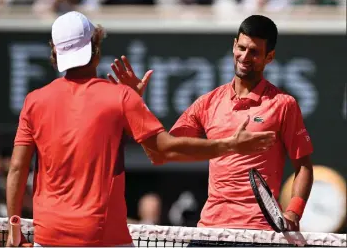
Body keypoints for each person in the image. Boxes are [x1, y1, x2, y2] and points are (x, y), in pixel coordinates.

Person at [6, 12, 276, 247]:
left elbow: (18, 169)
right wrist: (231, 145)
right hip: (102, 237)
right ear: (95, 49)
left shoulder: (34, 101)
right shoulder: (119, 98)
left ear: (56, 52)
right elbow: (164, 151)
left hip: (48, 235)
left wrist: (14, 228)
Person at [109, 15, 314, 235]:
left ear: (269, 57)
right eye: (242, 48)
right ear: (234, 45)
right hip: (212, 229)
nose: (245, 57)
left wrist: (294, 212)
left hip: (259, 232)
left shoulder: (284, 105)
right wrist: (136, 106)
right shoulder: (207, 103)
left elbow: (303, 166)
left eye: (254, 52)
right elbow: (161, 154)